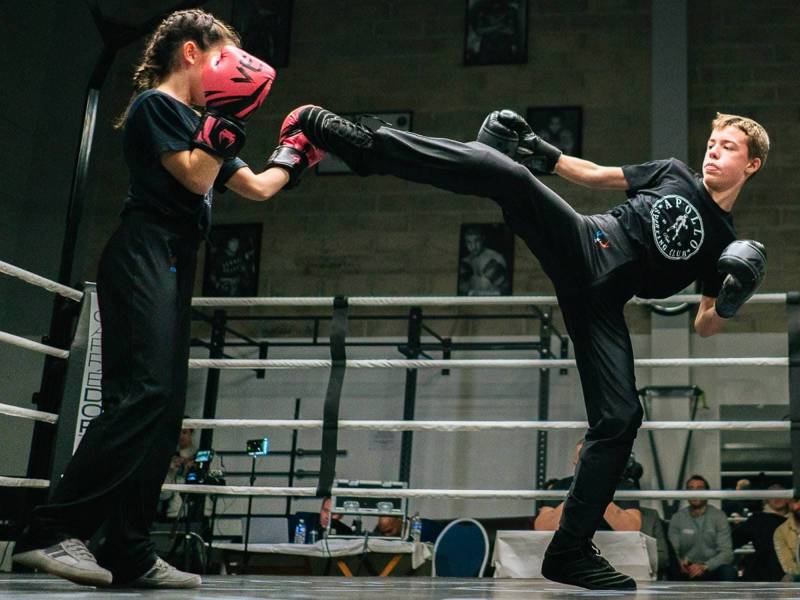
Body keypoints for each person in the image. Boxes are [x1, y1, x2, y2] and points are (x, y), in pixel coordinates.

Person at [288, 104, 768, 590]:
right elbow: (598, 175)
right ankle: (367, 146)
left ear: (751, 165)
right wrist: (544, 152)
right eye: (712, 144)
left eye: (728, 148)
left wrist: (730, 301)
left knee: (620, 418)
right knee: (509, 176)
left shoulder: (726, 243)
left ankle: (570, 551)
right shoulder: (674, 173)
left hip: (602, 302)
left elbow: (705, 324)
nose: (713, 153)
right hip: (590, 241)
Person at [12, 8, 323, 589]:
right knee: (142, 395)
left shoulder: (203, 121)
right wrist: (222, 121)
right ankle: (50, 531)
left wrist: (295, 154)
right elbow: (196, 178)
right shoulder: (158, 106)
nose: (234, 71)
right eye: (223, 58)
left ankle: (129, 548)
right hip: (143, 251)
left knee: (163, 411)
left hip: (176, 261)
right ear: (191, 53)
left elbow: (254, 187)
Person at [535, 439, 642, 532]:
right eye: (580, 462)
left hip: (611, 549)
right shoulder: (561, 486)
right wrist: (575, 495)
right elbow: (542, 528)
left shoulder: (624, 487)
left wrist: (598, 494)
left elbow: (632, 528)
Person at [667, 475, 736, 581]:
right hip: (687, 570)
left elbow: (727, 553)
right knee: (670, 569)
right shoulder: (677, 518)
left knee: (728, 571)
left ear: (707, 493)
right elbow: (672, 551)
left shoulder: (719, 516)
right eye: (691, 489)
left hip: (711, 569)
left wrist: (704, 566)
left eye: (699, 489)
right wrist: (679, 563)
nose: (695, 493)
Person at [732, 483, 789, 581]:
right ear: (766, 500)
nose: (777, 498)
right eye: (772, 495)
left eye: (781, 494)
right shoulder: (758, 519)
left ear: (788, 498)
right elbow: (734, 540)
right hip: (765, 568)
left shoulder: (796, 519)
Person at [458, 225, 510, 296]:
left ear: (483, 239)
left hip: (493, 303)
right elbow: (462, 290)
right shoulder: (464, 261)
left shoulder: (496, 258)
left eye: (477, 241)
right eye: (469, 242)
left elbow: (505, 290)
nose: (473, 246)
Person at [773, 496, 800, 581]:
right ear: (790, 503)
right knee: (788, 578)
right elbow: (789, 567)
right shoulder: (781, 532)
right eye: (796, 501)